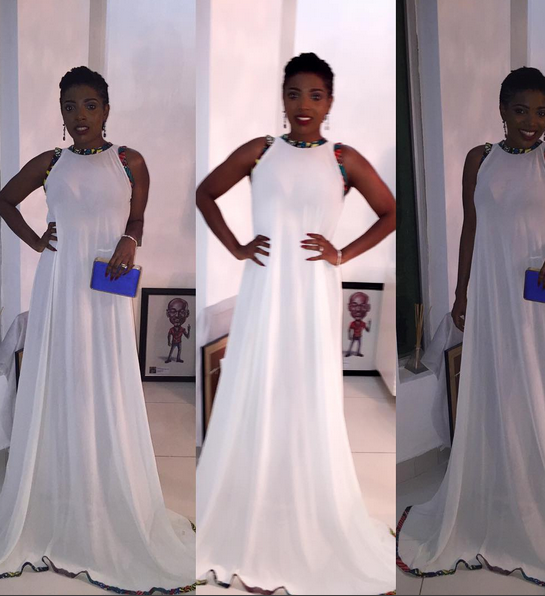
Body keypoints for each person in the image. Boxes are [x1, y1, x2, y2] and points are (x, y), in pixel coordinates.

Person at [195, 53, 396, 595]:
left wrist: (342, 253)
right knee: (261, 387)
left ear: (329, 102)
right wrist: (237, 246)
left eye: (315, 95)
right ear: (282, 99)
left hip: (311, 293)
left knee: (305, 392)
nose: (303, 105)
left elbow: (392, 211)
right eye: (293, 93)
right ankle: (253, 505)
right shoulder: (260, 152)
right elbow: (205, 193)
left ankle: (304, 503)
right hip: (264, 290)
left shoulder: (342, 159)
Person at [396, 67, 545, 590]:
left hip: (537, 295)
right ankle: (501, 480)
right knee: (499, 385)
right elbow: (471, 226)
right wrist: (461, 292)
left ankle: (542, 486)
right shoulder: (478, 160)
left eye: (541, 111)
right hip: (491, 294)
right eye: (521, 110)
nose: (532, 121)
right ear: (502, 110)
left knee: (538, 386)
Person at [0, 66, 195, 593]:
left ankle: (106, 489)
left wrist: (131, 240)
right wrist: (36, 241)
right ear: (61, 114)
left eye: (89, 105)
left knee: (102, 382)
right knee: (63, 381)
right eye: (69, 107)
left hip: (106, 285)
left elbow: (137, 219)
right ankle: (60, 492)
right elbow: (3, 200)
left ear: (107, 109)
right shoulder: (50, 164)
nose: (79, 115)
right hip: (60, 284)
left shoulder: (129, 162)